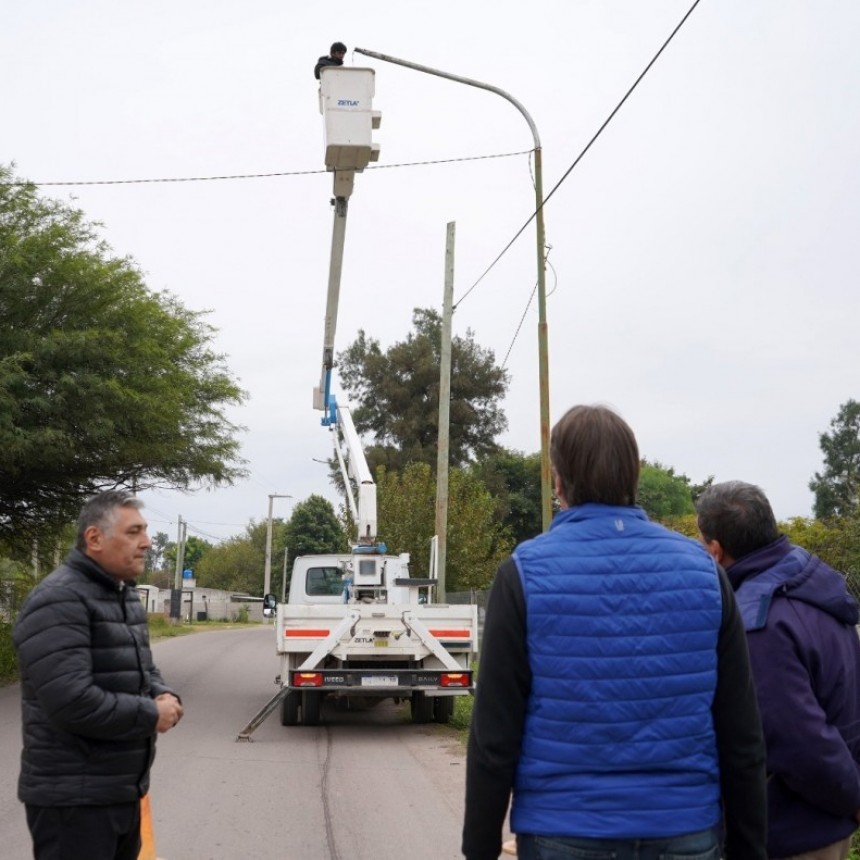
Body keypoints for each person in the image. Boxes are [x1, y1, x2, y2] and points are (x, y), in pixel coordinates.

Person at [462, 405, 767, 860]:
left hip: (562, 831)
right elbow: (741, 734)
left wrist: (479, 849)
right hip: (685, 830)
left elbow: (494, 737)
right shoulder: (705, 573)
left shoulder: (525, 574)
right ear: (634, 475)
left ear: (559, 481)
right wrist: (750, 849)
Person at [13, 489, 183, 860]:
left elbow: (140, 667)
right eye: (134, 532)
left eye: (146, 531)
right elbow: (72, 701)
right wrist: (152, 714)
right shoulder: (59, 599)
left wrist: (164, 693)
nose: (147, 542)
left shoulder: (123, 597)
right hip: (74, 801)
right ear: (95, 538)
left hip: (119, 791)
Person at [697, 481, 860, 860]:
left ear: (716, 551)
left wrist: (853, 797)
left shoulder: (759, 623)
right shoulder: (815, 585)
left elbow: (797, 739)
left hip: (794, 832)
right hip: (828, 824)